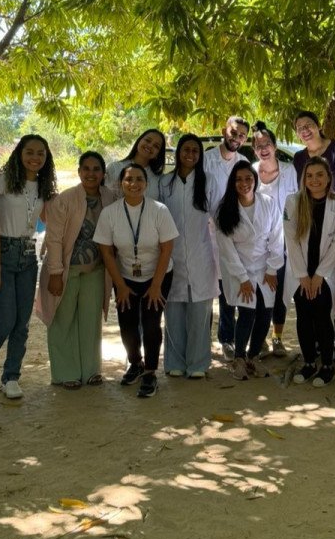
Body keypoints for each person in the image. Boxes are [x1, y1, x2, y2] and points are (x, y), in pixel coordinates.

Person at [0, 134, 57, 400]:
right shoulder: (1, 182)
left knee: (21, 324)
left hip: (28, 255)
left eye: (41, 153)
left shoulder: (43, 187)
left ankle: (11, 377)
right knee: (4, 320)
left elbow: (52, 220)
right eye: (30, 152)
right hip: (0, 252)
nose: (35, 158)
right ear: (19, 153)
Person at [96, 163, 178, 398]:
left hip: (158, 274)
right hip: (125, 277)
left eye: (139, 179)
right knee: (127, 324)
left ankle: (151, 372)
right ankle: (135, 363)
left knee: (152, 323)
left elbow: (167, 248)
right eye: (129, 179)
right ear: (121, 183)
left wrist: (155, 286)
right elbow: (107, 252)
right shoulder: (110, 213)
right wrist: (120, 286)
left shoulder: (159, 210)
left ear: (146, 183)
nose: (134, 184)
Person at [38, 151, 116, 390]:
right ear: (79, 171)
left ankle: (91, 371)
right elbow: (53, 239)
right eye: (86, 169)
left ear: (103, 173)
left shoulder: (111, 197)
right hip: (65, 271)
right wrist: (55, 273)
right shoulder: (65, 199)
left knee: (91, 321)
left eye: (96, 169)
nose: (91, 174)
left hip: (96, 270)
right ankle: (65, 373)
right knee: (63, 320)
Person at [283, 157, 335, 387]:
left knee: (322, 317)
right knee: (303, 316)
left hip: (326, 272)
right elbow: (291, 240)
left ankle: (327, 365)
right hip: (300, 271)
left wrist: (319, 275)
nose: (315, 180)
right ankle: (309, 362)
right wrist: (303, 275)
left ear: (329, 177)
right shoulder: (293, 202)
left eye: (320, 175)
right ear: (304, 179)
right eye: (309, 176)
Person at [158, 134, 220, 379]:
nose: (190, 154)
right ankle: (174, 362)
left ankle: (198, 364)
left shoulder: (209, 181)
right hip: (170, 257)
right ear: (178, 152)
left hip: (201, 256)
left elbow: (218, 215)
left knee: (199, 315)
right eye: (186, 149)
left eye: (195, 151)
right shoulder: (164, 183)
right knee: (172, 313)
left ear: (200, 155)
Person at [216, 161, 284, 380]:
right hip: (240, 270)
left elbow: (277, 237)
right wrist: (243, 278)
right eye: (239, 179)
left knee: (265, 313)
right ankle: (238, 359)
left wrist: (273, 269)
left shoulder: (268, 202)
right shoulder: (225, 209)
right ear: (232, 183)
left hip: (265, 269)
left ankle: (253, 357)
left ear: (255, 180)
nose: (244, 183)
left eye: (248, 178)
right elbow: (226, 249)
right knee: (247, 313)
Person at [203, 116, 250, 362]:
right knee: (205, 289)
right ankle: (201, 341)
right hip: (206, 234)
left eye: (242, 135)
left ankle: (226, 339)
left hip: (233, 234)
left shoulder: (243, 163)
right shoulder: (207, 159)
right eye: (234, 132)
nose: (237, 138)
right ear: (224, 130)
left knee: (227, 289)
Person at [253, 120, 298, 356]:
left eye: (267, 143)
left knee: (280, 292)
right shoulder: (250, 171)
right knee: (259, 292)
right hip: (257, 246)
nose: (263, 148)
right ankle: (258, 338)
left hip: (285, 244)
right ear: (253, 149)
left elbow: (299, 203)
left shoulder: (289, 170)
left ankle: (277, 338)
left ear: (274, 145)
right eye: (258, 144)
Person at [292, 110, 335, 193]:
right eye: (299, 128)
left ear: (319, 126)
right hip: (311, 205)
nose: (304, 130)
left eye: (308, 125)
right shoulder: (298, 158)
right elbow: (298, 189)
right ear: (297, 134)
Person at [106, 128, 167, 199]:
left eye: (156, 146)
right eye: (148, 140)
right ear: (139, 141)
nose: (150, 146)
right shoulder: (114, 168)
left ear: (158, 154)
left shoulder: (159, 179)